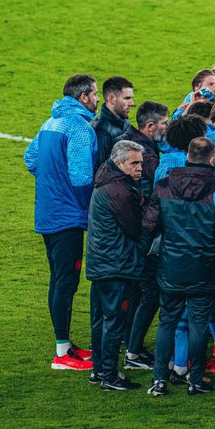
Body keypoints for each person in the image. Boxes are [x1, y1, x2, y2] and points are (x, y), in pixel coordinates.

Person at [23, 73, 99, 371]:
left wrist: (52, 183)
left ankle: (65, 346)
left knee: (58, 279)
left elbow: (31, 159)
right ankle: (61, 355)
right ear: (83, 97)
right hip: (68, 216)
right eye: (94, 94)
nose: (97, 100)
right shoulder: (79, 127)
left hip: (47, 212)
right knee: (66, 281)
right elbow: (81, 178)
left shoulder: (49, 123)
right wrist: (89, 207)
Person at [141, 136, 215, 397]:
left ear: (187, 156)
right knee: (199, 325)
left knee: (167, 322)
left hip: (171, 265)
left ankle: (159, 381)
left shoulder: (164, 185)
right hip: (204, 265)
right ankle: (195, 380)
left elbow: (149, 224)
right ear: (212, 159)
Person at [86, 139, 146, 389]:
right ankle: (109, 376)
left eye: (140, 163)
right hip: (116, 265)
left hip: (101, 262)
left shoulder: (106, 177)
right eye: (134, 163)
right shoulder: (120, 191)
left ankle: (99, 370)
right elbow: (134, 228)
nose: (139, 168)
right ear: (119, 163)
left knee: (100, 320)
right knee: (113, 321)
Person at [122, 102, 169, 371]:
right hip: (143, 231)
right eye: (164, 123)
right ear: (150, 127)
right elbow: (158, 186)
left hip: (134, 230)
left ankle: (131, 345)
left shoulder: (131, 143)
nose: (167, 127)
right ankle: (133, 351)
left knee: (141, 291)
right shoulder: (146, 155)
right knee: (149, 291)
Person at [93, 76, 135, 166]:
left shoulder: (123, 120)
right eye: (127, 98)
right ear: (112, 99)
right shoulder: (101, 132)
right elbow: (100, 174)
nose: (132, 103)